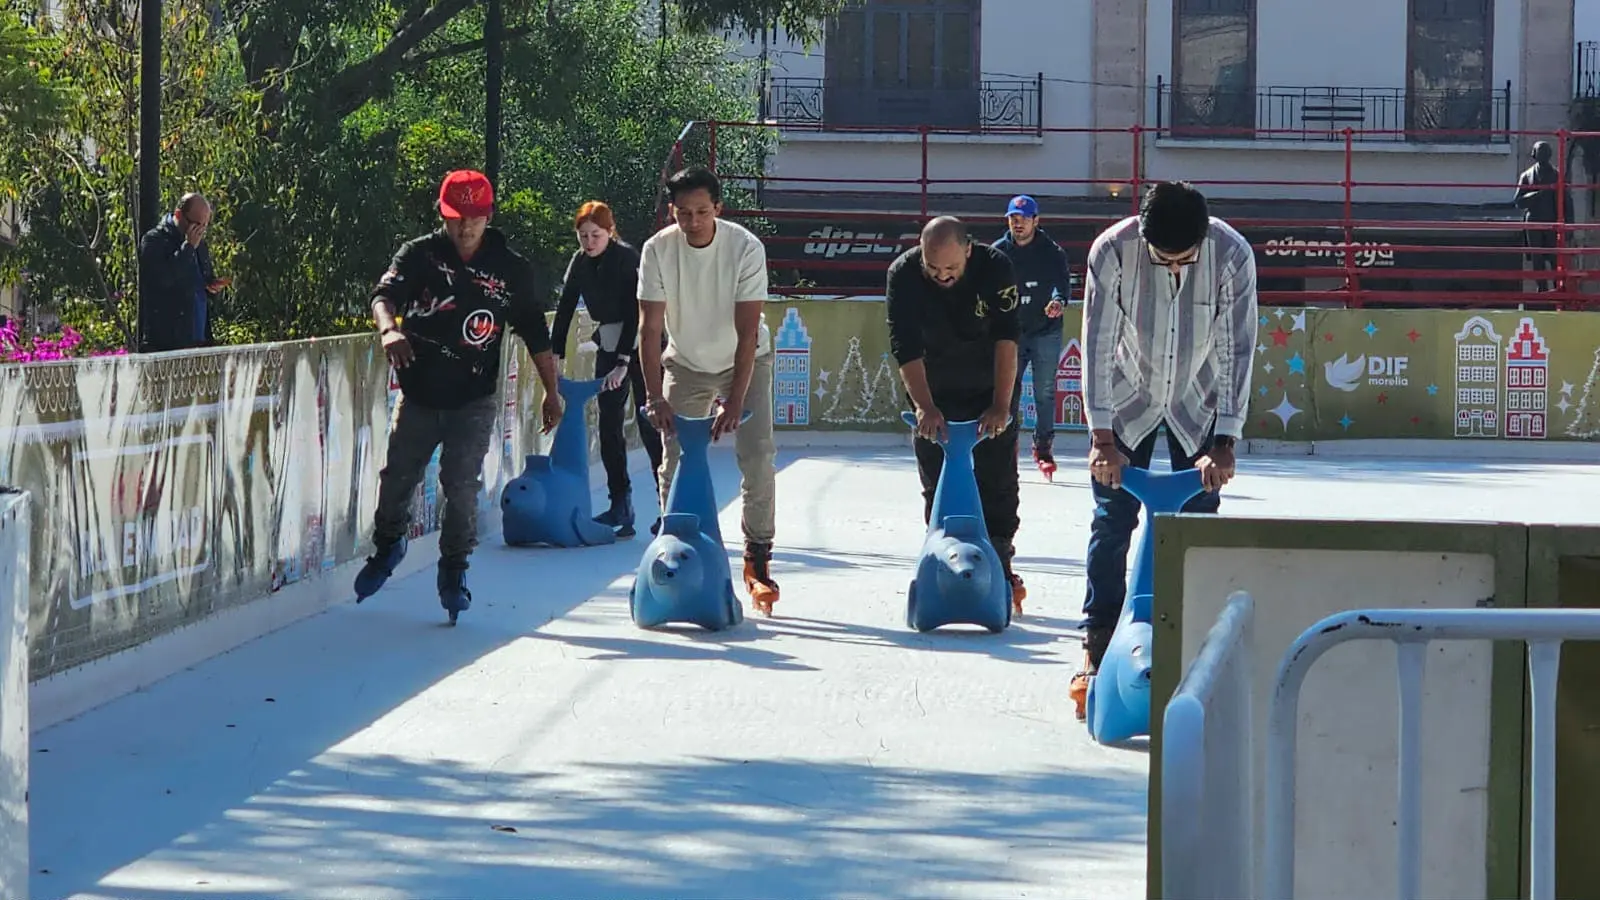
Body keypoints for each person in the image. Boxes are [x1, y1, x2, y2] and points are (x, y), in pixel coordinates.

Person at [1072, 181, 1258, 720]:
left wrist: (1225, 441)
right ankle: (1099, 645)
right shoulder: (1112, 250)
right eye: (1163, 260)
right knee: (1111, 520)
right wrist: (1101, 439)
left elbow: (1238, 346)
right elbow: (1097, 343)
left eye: (1185, 259)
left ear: (1203, 237)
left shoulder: (1231, 253)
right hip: (1127, 397)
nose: (1175, 268)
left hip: (1198, 398)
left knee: (1198, 525)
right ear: (1143, 234)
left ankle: (1198, 646)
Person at [354, 169, 563, 619]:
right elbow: (383, 295)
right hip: (420, 391)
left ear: (489, 216)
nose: (464, 228)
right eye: (455, 218)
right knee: (398, 477)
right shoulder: (420, 254)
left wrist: (552, 391)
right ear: (442, 215)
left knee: (461, 484)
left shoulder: (511, 268)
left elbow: (535, 332)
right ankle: (388, 545)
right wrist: (389, 330)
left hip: (473, 397)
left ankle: (454, 568)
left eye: (473, 218)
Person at [637, 165, 781, 616]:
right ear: (672, 212)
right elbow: (650, 328)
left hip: (746, 359)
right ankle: (675, 543)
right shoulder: (657, 250)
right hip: (686, 362)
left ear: (718, 208)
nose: (693, 221)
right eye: (683, 213)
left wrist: (735, 401)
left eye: (702, 211)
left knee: (757, 455)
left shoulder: (745, 247)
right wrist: (655, 396)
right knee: (674, 456)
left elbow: (746, 332)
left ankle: (758, 555)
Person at [886, 215, 1027, 613]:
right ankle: (941, 554)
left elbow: (1007, 338)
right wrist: (925, 406)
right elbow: (905, 346)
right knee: (937, 479)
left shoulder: (996, 266)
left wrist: (1001, 405)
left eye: (950, 267)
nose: (942, 275)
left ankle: (999, 559)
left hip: (988, 383)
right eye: (933, 267)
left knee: (997, 478)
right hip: (934, 385)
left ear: (968, 249)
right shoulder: (903, 274)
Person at [550, 201, 664, 538]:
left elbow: (635, 312)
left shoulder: (627, 258)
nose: (589, 242)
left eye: (596, 235)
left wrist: (624, 362)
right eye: (583, 236)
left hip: (642, 342)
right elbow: (566, 306)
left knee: (650, 422)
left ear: (610, 232)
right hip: (610, 341)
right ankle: (620, 504)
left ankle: (668, 505)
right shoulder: (580, 261)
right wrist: (554, 355)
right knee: (608, 424)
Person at [991, 194, 1073, 478]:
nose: (1018, 224)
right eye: (1013, 218)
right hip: (1010, 333)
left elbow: (1062, 285)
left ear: (1036, 221)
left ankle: (1043, 448)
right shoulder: (998, 252)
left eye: (1024, 219)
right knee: (1007, 390)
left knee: (1045, 391)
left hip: (1045, 331)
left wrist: (1057, 301)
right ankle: (1006, 444)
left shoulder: (1052, 252)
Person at [137, 193, 230, 351]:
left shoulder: (200, 245)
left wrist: (212, 286)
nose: (200, 231)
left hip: (199, 338)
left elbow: (201, 282)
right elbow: (162, 280)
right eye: (197, 225)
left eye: (204, 226)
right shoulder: (154, 240)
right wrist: (188, 248)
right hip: (167, 342)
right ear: (179, 215)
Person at [1514, 140, 1573, 293]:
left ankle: (1557, 288)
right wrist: (1536, 194)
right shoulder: (1526, 176)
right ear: (1534, 154)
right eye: (1540, 152)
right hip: (1533, 222)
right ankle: (1541, 289)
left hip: (1552, 222)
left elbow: (1568, 202)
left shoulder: (1557, 175)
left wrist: (1570, 227)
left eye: (1546, 153)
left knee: (1554, 258)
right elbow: (1518, 201)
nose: (1543, 156)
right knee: (1537, 258)